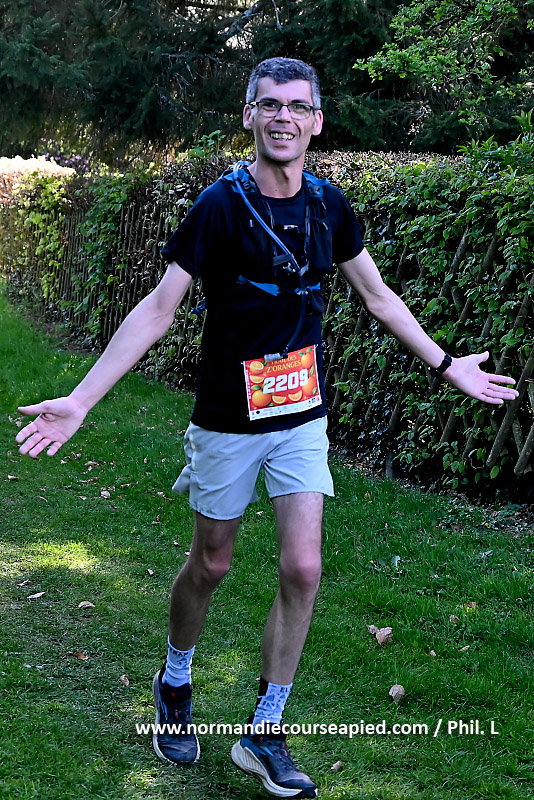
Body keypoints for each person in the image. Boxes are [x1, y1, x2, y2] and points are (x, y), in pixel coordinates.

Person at [15, 57, 518, 799]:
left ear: (316, 122)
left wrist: (448, 365)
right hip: (227, 419)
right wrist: (84, 400)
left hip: (300, 416)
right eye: (270, 104)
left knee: (304, 568)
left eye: (298, 106)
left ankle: (265, 730)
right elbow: (158, 309)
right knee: (211, 563)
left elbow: (379, 298)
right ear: (249, 116)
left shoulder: (330, 207)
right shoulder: (219, 206)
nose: (284, 117)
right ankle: (175, 679)